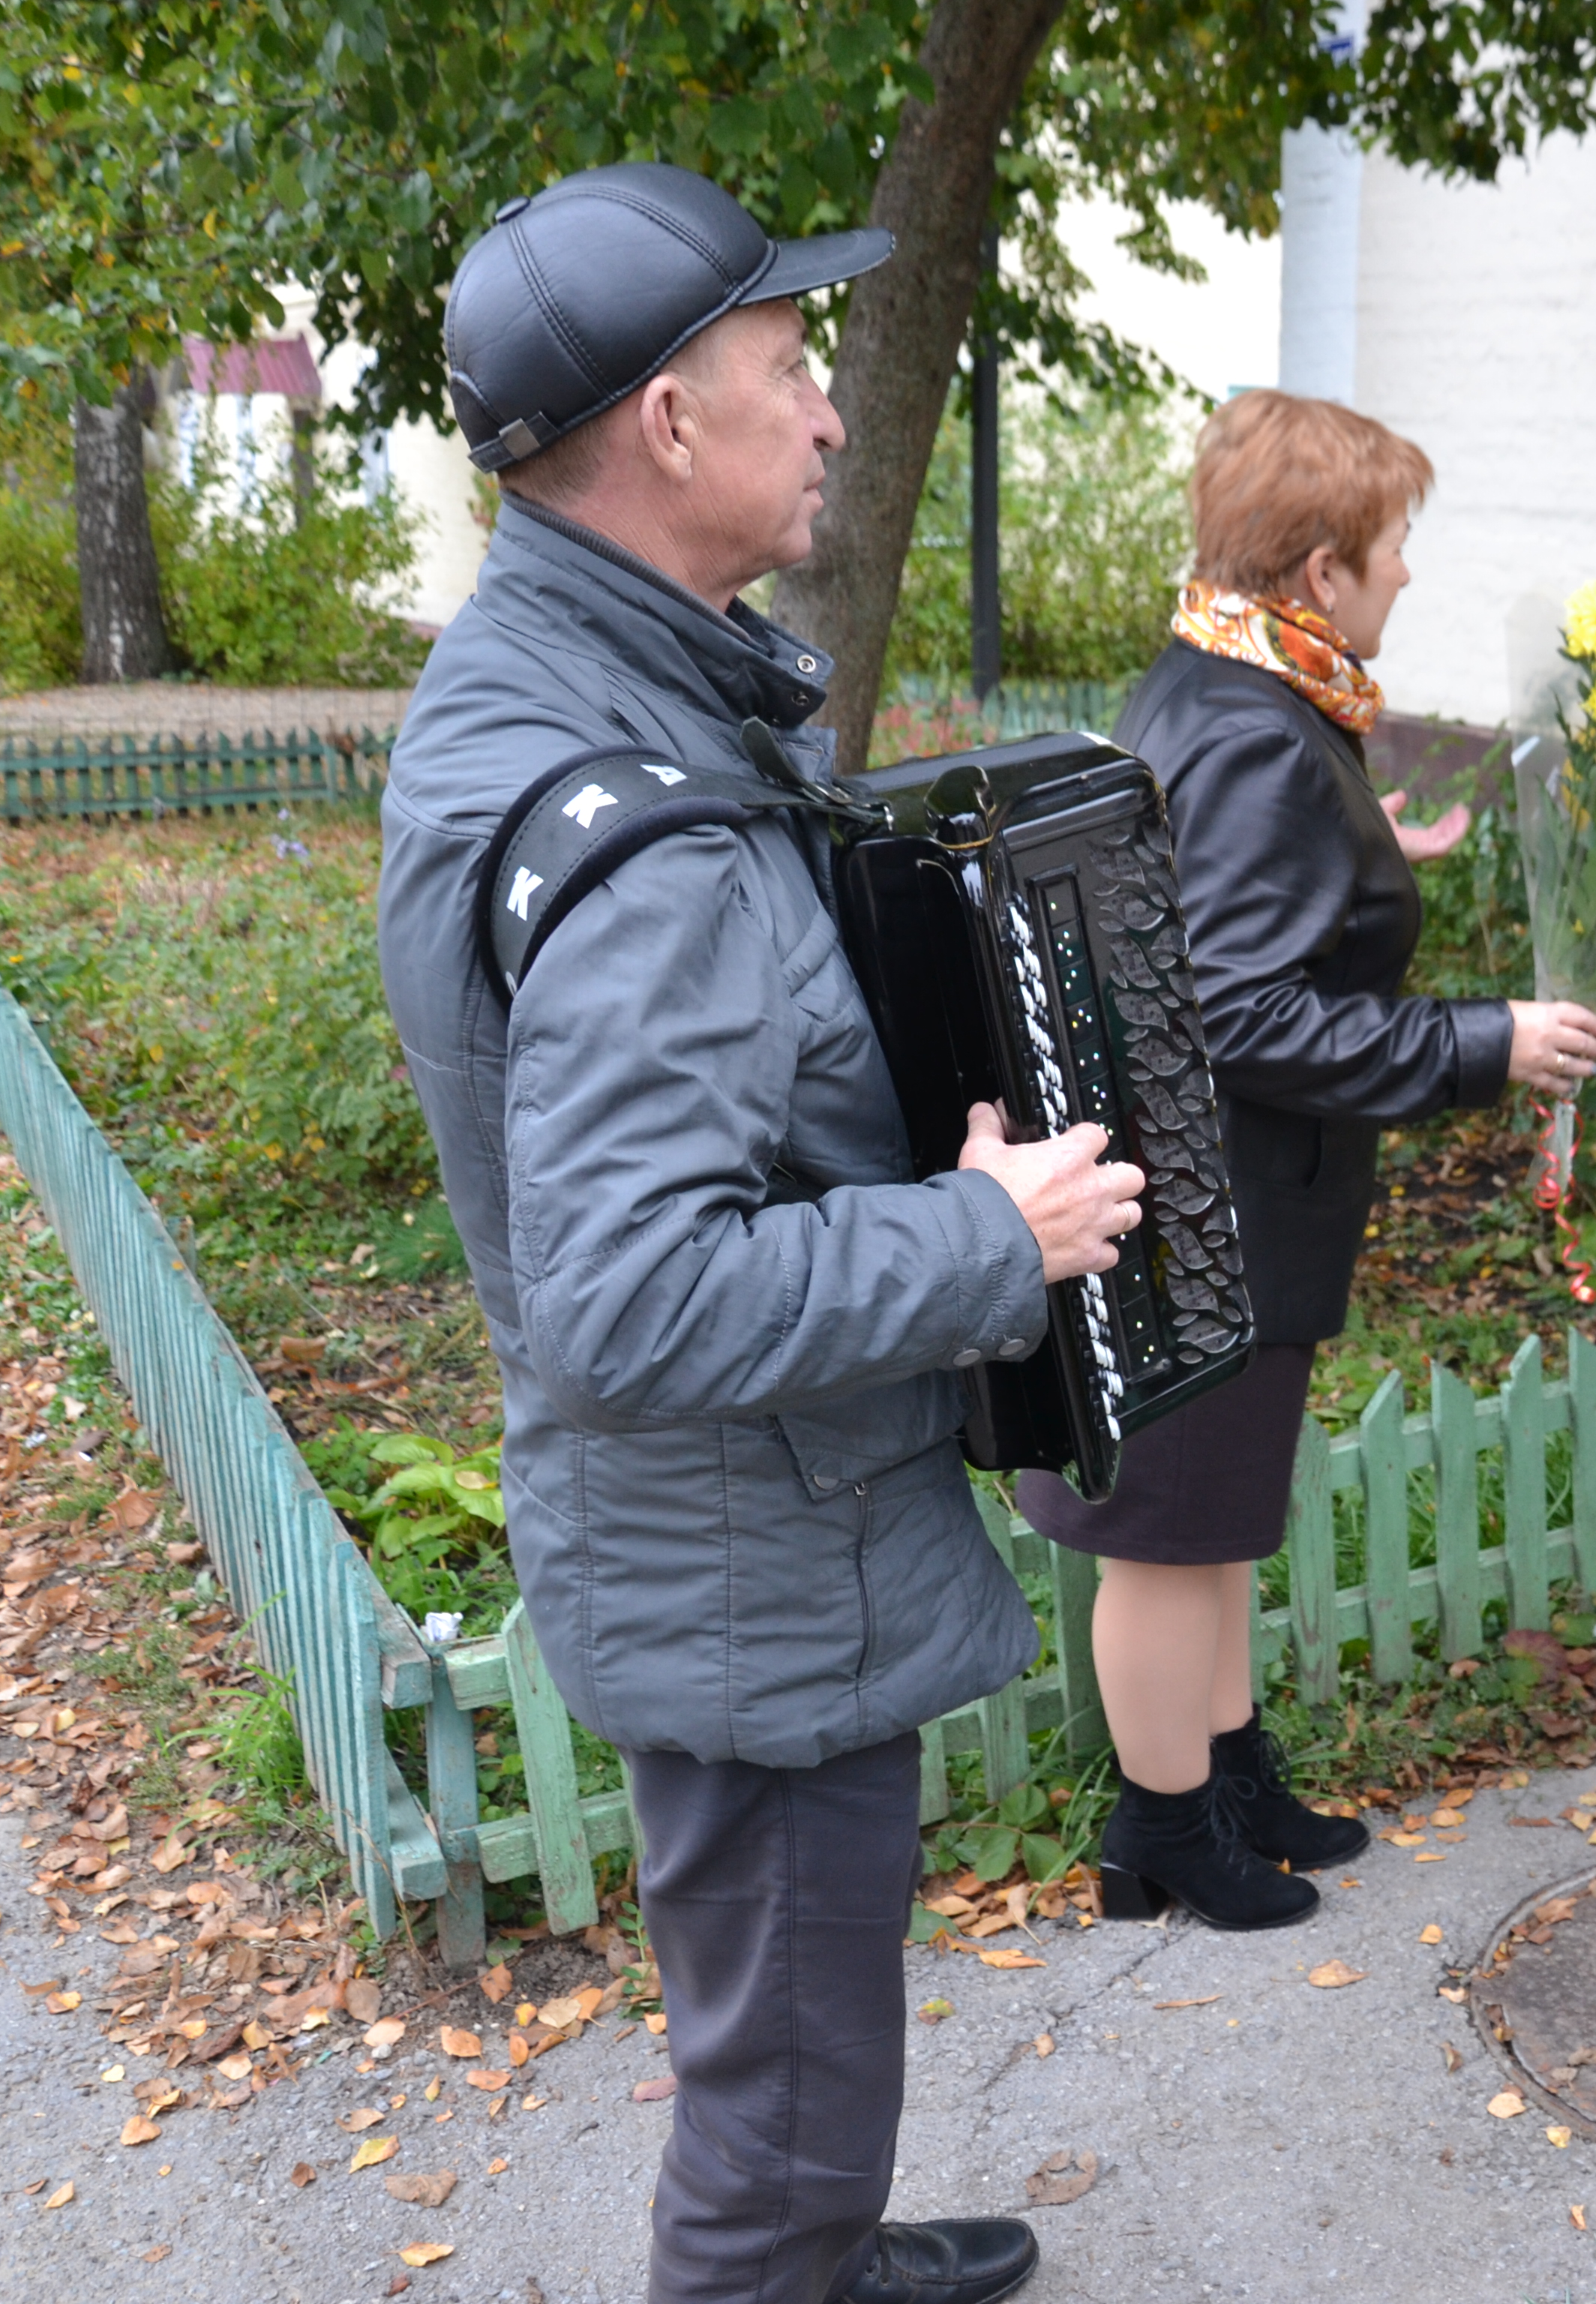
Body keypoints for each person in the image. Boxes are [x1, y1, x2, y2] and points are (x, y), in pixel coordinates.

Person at [376, 164, 1142, 2304]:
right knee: (782, 2090)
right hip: (749, 1559)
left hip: (718, 1532)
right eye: (790, 373)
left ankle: (823, 2241)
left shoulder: (551, 684)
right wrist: (993, 1236)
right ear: (664, 426)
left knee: (794, 2027)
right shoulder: (641, 825)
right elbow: (631, 1296)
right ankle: (787, 2255)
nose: (828, 418)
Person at [1017, 391, 1596, 1924]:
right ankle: (1160, 1832)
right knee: (1162, 1538)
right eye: (1395, 544)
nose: (1409, 571)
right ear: (1321, 567)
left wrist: (1362, 855)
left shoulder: (1224, 681)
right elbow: (1245, 1018)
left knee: (1212, 1517)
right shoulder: (1263, 733)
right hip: (1209, 1212)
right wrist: (1489, 1042)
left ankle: (1227, 1774)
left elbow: (1196, 886)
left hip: (1216, 1207)